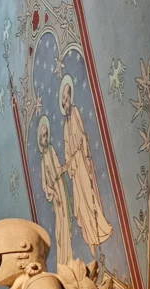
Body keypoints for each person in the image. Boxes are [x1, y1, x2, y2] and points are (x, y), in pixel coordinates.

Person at [59, 75, 113, 256]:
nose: (65, 102)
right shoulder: (65, 124)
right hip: (74, 169)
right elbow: (67, 149)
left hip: (81, 162)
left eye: (67, 98)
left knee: (90, 200)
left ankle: (99, 231)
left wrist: (87, 158)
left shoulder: (74, 113)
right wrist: (65, 167)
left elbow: (82, 137)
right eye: (63, 100)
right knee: (81, 204)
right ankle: (90, 238)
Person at [37, 115, 72, 265]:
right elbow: (45, 184)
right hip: (56, 192)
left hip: (61, 186)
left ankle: (68, 253)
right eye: (43, 137)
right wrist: (53, 193)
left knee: (67, 218)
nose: (45, 139)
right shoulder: (43, 159)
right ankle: (63, 258)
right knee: (60, 224)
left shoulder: (51, 150)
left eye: (46, 135)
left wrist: (68, 165)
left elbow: (58, 168)